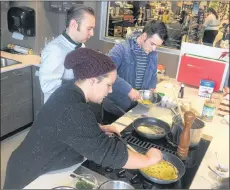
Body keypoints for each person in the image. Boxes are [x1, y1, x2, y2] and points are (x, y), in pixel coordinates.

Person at [3, 48, 163, 189]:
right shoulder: (72, 108)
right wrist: (148, 159)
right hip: (29, 178)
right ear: (93, 81)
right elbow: (109, 153)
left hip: (32, 166)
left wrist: (98, 128)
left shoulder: (69, 91)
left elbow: (67, 128)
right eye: (109, 85)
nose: (110, 90)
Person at [103, 20, 168, 122]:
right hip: (115, 109)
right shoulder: (121, 49)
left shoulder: (153, 54)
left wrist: (151, 93)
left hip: (136, 109)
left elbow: (153, 76)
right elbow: (106, 71)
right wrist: (128, 90)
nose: (154, 49)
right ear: (144, 36)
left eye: (157, 46)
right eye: (152, 44)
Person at [39, 5, 95, 103]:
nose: (92, 33)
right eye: (89, 28)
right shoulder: (55, 50)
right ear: (74, 24)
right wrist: (80, 84)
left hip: (74, 105)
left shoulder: (81, 45)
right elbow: (47, 85)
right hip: (58, 111)